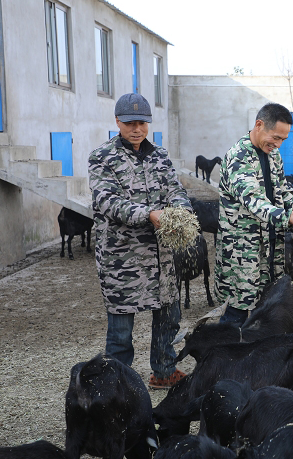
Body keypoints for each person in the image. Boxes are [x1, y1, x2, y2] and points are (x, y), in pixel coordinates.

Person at [88, 92, 192, 389]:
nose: (137, 129)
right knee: (121, 330)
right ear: (117, 121)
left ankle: (163, 371)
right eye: (130, 122)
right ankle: (117, 386)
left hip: (160, 255)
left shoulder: (159, 155)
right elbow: (108, 202)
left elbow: (175, 189)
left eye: (142, 123)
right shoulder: (101, 157)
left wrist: (181, 210)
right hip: (123, 258)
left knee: (168, 317)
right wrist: (150, 215)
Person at [214, 102, 293, 324]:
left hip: (267, 247)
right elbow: (253, 199)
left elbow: (282, 190)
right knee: (236, 311)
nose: (278, 144)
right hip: (241, 252)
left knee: (264, 311)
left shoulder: (273, 156)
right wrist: (286, 217)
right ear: (259, 125)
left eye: (283, 140)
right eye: (275, 137)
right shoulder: (239, 157)